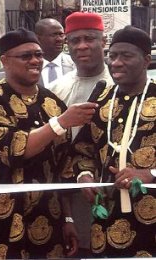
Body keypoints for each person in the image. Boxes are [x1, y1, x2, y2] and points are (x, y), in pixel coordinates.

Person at [0, 28, 98, 259]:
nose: (35, 61)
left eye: (38, 55)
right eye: (25, 56)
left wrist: (68, 218)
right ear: (5, 60)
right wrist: (59, 124)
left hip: (49, 221)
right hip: (1, 221)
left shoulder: (51, 102)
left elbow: (64, 166)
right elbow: (15, 150)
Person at [69, 25, 156, 257]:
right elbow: (83, 149)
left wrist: (151, 174)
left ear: (146, 60)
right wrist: (84, 176)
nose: (116, 62)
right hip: (107, 217)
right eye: (113, 56)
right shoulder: (101, 100)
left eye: (126, 56)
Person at [48, 12, 114, 257]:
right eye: (74, 40)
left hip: (117, 190)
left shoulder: (120, 84)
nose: (82, 46)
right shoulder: (56, 89)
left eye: (89, 38)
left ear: (103, 41)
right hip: (71, 199)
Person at [0, 18, 75, 93]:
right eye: (54, 35)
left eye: (61, 35)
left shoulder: (76, 67)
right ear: (38, 38)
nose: (59, 39)